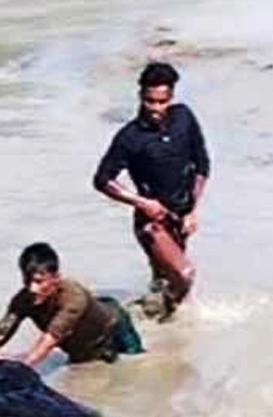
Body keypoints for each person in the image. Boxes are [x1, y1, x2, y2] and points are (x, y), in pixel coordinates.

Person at [93, 61, 210, 320]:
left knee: (163, 280)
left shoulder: (184, 118)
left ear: (171, 97)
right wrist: (141, 202)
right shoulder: (130, 137)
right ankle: (169, 320)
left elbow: (202, 165)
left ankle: (157, 332)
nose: (156, 109)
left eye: (162, 101)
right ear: (140, 96)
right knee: (184, 274)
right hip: (151, 222)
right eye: (150, 102)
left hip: (181, 216)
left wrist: (192, 211)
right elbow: (102, 180)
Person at [0, 242, 144, 368]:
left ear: (56, 278)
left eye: (39, 281)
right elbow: (0, 332)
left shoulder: (73, 298)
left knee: (137, 367)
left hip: (114, 328)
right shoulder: (23, 300)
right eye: (27, 280)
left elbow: (49, 340)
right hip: (81, 348)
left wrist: (24, 368)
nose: (32, 289)